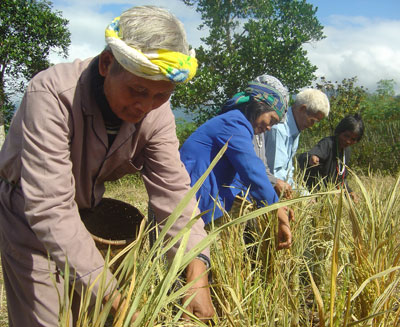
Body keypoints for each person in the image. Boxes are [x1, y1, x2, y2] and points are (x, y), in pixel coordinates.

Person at [0, 6, 214, 326]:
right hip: (29, 215)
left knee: (84, 312)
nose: (145, 106)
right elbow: (50, 208)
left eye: (161, 95)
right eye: (138, 91)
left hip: (86, 215)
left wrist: (196, 270)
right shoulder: (51, 95)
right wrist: (117, 301)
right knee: (46, 318)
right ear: (106, 63)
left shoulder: (157, 114)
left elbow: (174, 192)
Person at [180, 74, 292, 250]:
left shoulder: (237, 125)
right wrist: (275, 209)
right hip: (188, 206)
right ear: (260, 106)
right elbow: (252, 170)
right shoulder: (234, 123)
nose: (269, 127)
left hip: (199, 205)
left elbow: (241, 178)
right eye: (272, 120)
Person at [263, 89, 330, 196]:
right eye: (312, 120)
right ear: (302, 109)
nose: (312, 125)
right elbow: (275, 174)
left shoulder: (295, 129)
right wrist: (300, 196)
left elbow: (288, 171)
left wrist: (304, 195)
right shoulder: (279, 129)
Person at [297, 113, 364, 201]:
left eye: (353, 139)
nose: (348, 141)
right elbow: (307, 156)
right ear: (340, 131)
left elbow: (341, 180)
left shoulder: (346, 152)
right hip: (311, 194)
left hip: (325, 198)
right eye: (346, 136)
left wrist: (349, 192)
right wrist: (312, 158)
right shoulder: (328, 144)